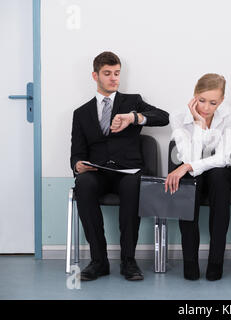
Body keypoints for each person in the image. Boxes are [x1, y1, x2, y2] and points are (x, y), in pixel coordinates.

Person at [70, 51, 169, 281]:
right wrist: (78, 165)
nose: (114, 78)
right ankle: (98, 261)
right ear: (95, 76)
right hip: (98, 173)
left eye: (117, 73)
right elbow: (76, 153)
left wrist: (134, 118)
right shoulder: (81, 113)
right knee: (82, 184)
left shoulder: (132, 101)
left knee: (133, 185)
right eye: (107, 73)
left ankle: (128, 261)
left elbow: (163, 117)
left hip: (128, 172)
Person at [166, 73, 231, 281]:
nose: (206, 108)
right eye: (202, 100)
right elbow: (190, 156)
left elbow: (223, 157)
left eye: (213, 103)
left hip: (218, 173)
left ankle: (216, 261)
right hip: (193, 173)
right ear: (194, 96)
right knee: (188, 182)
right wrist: (198, 124)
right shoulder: (178, 117)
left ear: (221, 101)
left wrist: (187, 166)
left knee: (219, 177)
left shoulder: (229, 114)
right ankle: (190, 261)